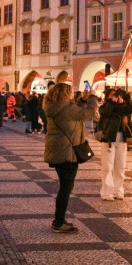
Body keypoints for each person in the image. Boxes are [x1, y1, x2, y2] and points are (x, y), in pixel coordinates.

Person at [43, 82, 95, 234]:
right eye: (70, 92)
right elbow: (88, 113)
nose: (72, 95)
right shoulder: (66, 109)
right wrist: (92, 96)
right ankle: (58, 223)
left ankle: (59, 219)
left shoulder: (55, 107)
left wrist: (82, 100)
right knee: (65, 188)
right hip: (67, 154)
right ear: (66, 94)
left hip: (59, 152)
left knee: (64, 187)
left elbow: (74, 110)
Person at [98, 89, 132, 201]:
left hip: (121, 139)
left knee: (120, 166)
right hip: (108, 139)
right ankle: (107, 192)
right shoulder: (105, 107)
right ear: (107, 96)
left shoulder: (122, 107)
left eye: (116, 95)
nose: (115, 97)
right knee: (107, 167)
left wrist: (124, 100)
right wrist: (112, 102)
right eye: (112, 95)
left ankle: (118, 191)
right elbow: (105, 112)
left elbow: (131, 109)